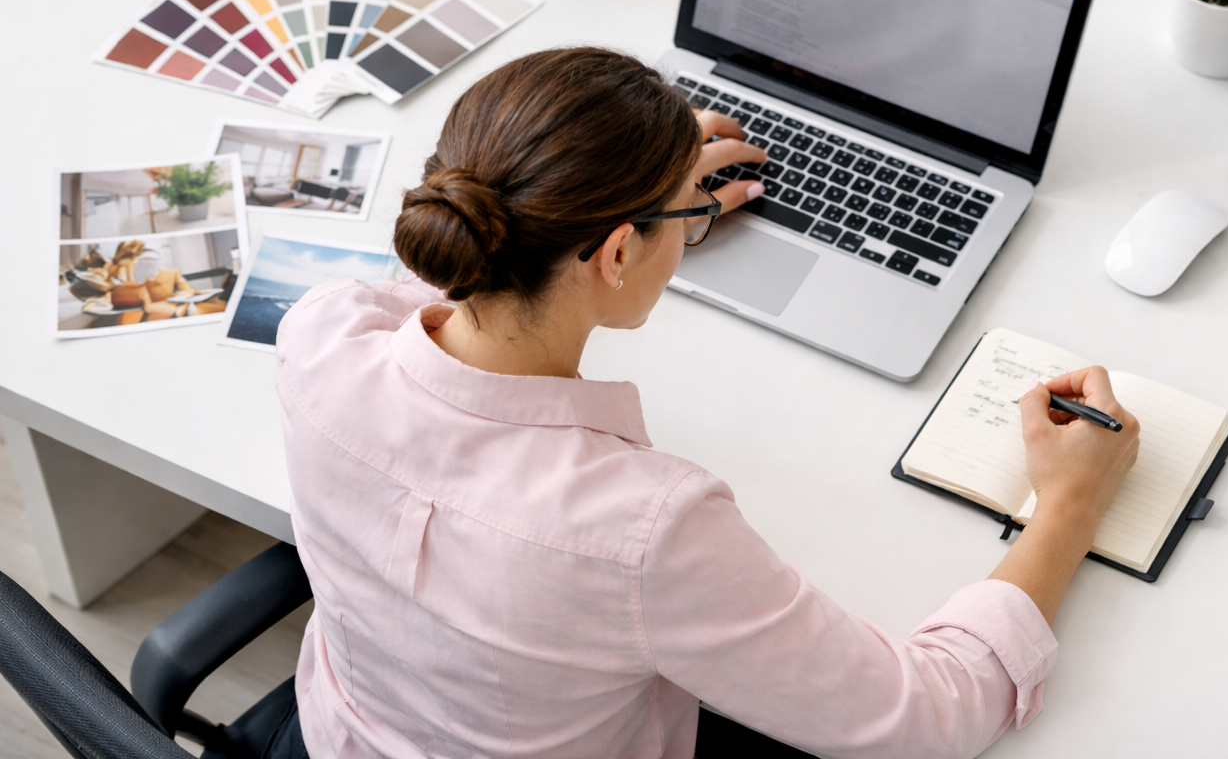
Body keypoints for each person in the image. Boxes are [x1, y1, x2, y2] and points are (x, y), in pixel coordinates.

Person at [275, 47, 1140, 759]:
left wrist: (639, 183)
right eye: (679, 217)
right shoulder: (644, 532)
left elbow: (432, 280)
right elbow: (924, 719)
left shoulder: (321, 339)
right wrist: (1068, 504)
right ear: (616, 254)